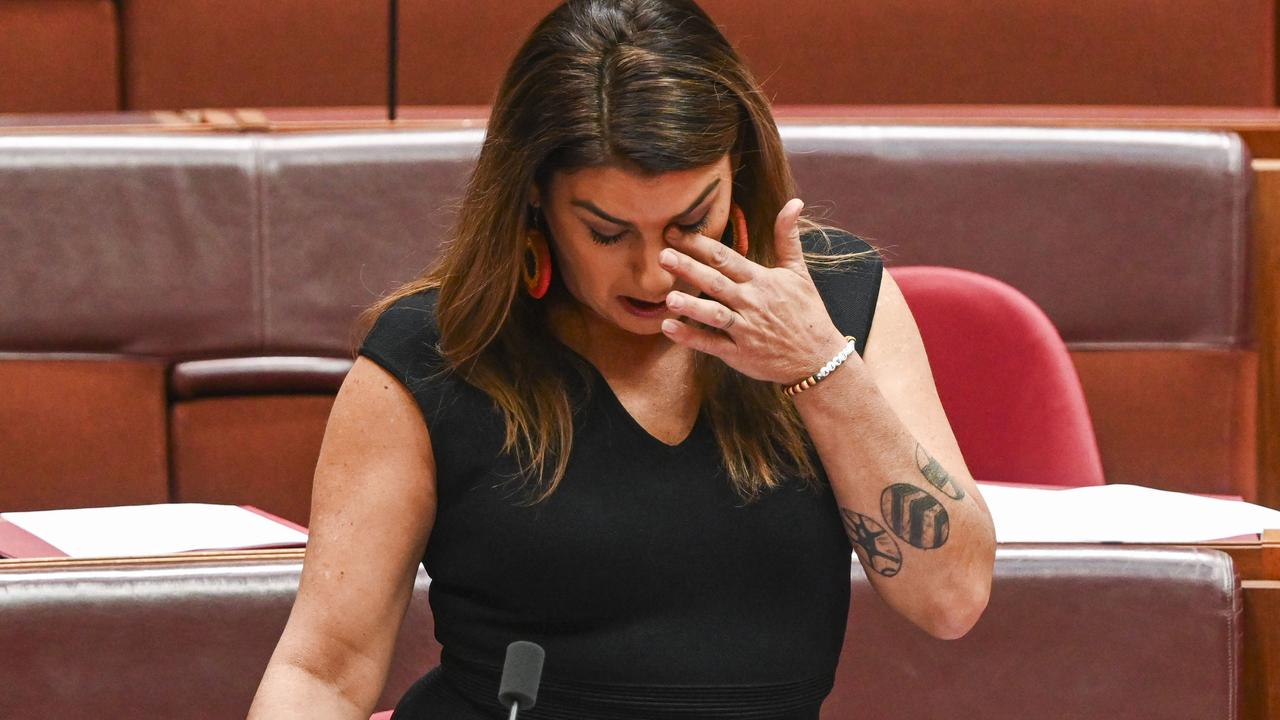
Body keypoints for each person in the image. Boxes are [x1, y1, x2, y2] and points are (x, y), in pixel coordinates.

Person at [249, 0, 996, 717]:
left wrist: (818, 367)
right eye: (608, 233)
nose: (651, 272)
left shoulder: (841, 308)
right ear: (535, 197)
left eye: (689, 221)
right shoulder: (436, 355)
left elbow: (952, 600)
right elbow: (324, 673)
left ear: (736, 170)